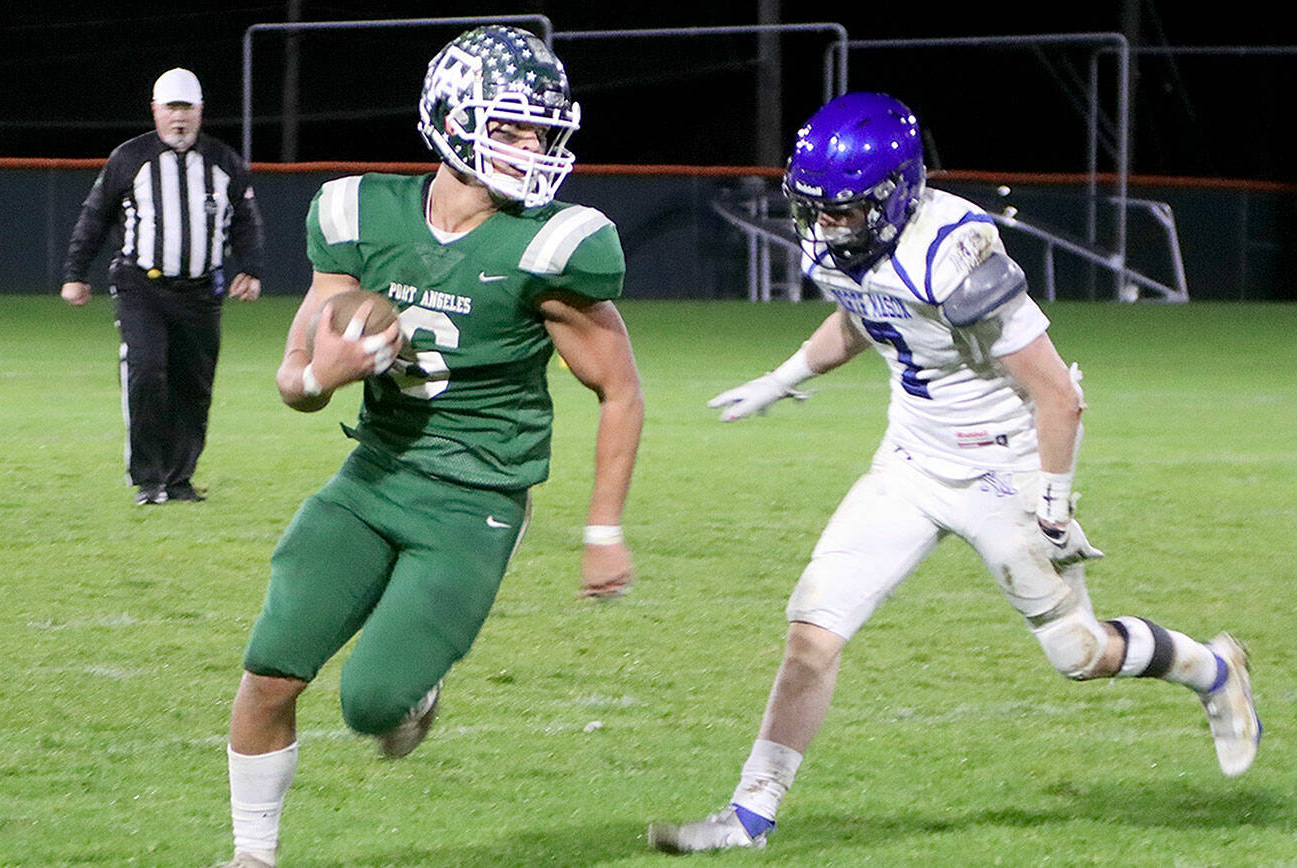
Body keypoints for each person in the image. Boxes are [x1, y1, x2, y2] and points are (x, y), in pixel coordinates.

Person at [648, 92, 1261, 854]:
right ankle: (749, 816)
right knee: (812, 631)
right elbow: (862, 314)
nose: (826, 226)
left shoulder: (956, 249)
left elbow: (1056, 395)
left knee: (1079, 655)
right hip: (909, 463)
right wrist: (785, 376)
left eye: (845, 211)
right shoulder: (847, 236)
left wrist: (1053, 499)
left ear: (897, 193)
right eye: (817, 209)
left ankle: (1210, 668)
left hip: (1004, 467)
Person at [211, 26, 643, 868]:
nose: (532, 149)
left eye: (541, 133)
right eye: (512, 128)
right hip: (373, 474)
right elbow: (293, 379)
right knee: (270, 668)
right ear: (451, 120)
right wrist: (324, 374)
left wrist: (602, 529)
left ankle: (415, 687)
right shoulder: (360, 211)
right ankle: (252, 856)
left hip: (475, 500)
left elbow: (619, 390)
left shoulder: (553, 243)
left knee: (373, 705)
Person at [61, 67, 265, 505]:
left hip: (200, 293)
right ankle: (149, 478)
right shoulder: (129, 159)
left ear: (200, 111)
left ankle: (179, 479)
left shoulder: (225, 162)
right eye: (170, 107)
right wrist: (75, 272)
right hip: (142, 286)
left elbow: (245, 221)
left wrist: (250, 268)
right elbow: (95, 216)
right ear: (154, 111)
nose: (178, 118)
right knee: (148, 371)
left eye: (186, 108)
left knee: (194, 385)